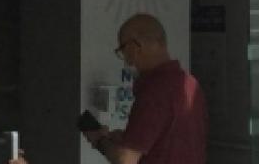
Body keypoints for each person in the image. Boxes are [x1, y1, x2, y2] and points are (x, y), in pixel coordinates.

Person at [82, 13, 207, 164]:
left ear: (135, 47)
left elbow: (125, 159)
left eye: (123, 49)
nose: (127, 61)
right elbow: (171, 140)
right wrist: (126, 138)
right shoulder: (191, 84)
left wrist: (99, 140)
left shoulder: (154, 91)